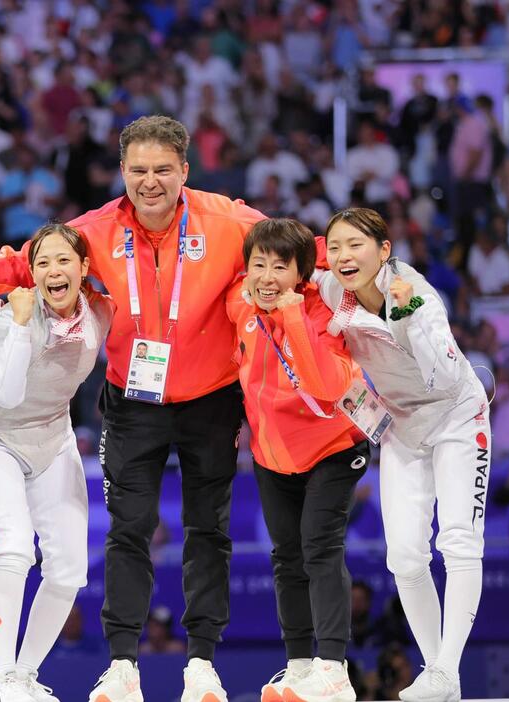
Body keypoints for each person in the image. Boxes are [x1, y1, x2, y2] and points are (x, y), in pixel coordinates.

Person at [0, 115, 264, 702]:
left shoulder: (232, 222)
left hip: (212, 398)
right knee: (128, 530)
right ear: (121, 171)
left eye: (162, 170)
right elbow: (11, 266)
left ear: (185, 169)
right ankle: (123, 665)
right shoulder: (94, 232)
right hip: (132, 402)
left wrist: (383, 277)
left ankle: (202, 664)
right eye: (137, 170)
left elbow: (303, 253)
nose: (149, 182)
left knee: (209, 530)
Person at [318, 208, 491, 702]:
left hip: (457, 415)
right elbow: (288, 256)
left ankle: (445, 671)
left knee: (458, 541)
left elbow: (442, 376)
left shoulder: (418, 295)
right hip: (401, 425)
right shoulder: (333, 287)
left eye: (356, 245)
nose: (344, 256)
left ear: (384, 250)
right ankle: (441, 676)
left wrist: (410, 314)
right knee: (405, 558)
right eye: (335, 247)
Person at [0, 223, 114, 702]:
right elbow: (6, 394)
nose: (53, 271)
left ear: (85, 268)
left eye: (63, 260)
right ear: (31, 272)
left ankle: (23, 676)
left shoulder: (102, 311)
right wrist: (23, 326)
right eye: (42, 262)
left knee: (69, 569)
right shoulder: (12, 316)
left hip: (54, 437)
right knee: (12, 549)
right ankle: (1, 676)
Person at [226, 219, 368, 702]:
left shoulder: (324, 314)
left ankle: (333, 668)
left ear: (302, 275)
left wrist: (292, 316)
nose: (266, 277)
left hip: (334, 448)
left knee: (319, 548)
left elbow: (327, 389)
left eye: (280, 267)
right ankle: (300, 665)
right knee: (287, 558)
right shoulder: (238, 303)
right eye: (258, 265)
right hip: (271, 457)